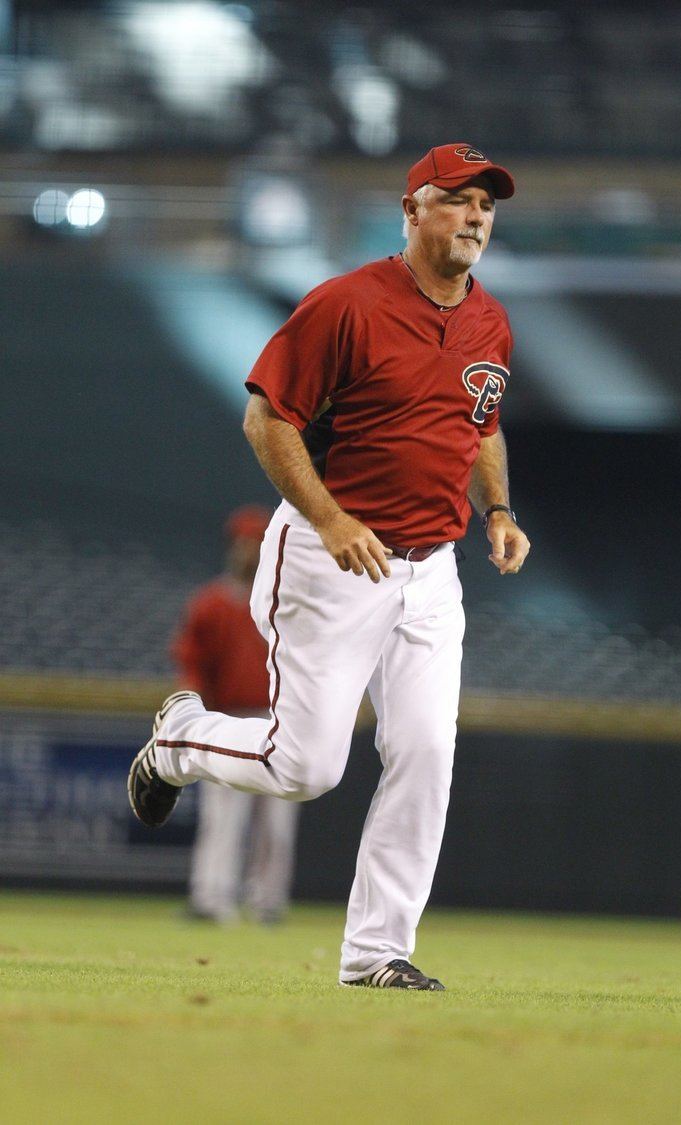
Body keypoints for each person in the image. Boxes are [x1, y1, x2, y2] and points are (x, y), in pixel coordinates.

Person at [128, 142, 531, 990]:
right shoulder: (346, 304)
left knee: (426, 750)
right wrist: (332, 516)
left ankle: (376, 951)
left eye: (486, 205)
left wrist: (496, 510)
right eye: (457, 199)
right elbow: (266, 420)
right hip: (328, 554)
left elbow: (481, 425)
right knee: (306, 767)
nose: (476, 217)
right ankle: (176, 738)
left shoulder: (490, 320)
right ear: (413, 209)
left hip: (431, 570)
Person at [172, 505, 299, 925]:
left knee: (276, 823)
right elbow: (191, 663)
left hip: (276, 718)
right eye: (243, 541)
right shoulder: (211, 603)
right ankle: (211, 898)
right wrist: (192, 707)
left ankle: (268, 901)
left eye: (256, 542)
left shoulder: (286, 601)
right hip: (225, 718)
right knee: (222, 817)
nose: (248, 550)